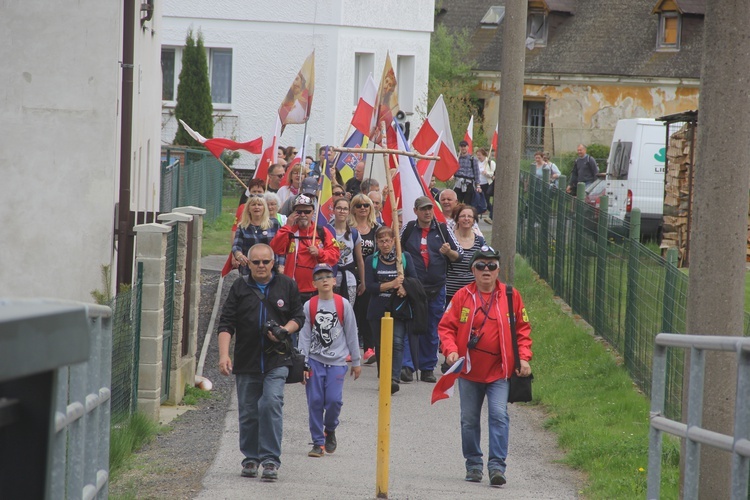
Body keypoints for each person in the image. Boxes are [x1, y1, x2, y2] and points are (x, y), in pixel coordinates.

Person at [438, 245, 532, 487]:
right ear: (473, 270)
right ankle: (473, 464)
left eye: (491, 265)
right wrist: (450, 351)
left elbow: (522, 330)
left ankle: (497, 466)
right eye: (481, 265)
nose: (486, 270)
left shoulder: (512, 295)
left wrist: (523, 357)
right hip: (469, 372)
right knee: (469, 419)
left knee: (499, 416)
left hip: (500, 371)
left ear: (498, 269)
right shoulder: (462, 296)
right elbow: (446, 327)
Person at [217, 243, 305, 481]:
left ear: (273, 261)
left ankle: (270, 460)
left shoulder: (286, 284)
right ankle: (250, 458)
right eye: (256, 262)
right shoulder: (239, 287)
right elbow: (226, 323)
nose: (261, 266)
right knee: (248, 412)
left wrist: (284, 331)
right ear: (249, 263)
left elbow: (299, 316)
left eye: (266, 261)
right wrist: (224, 355)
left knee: (271, 403)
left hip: (278, 359)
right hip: (247, 359)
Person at [298, 264, 361, 458]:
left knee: (334, 401)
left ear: (334, 281)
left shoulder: (343, 305)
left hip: (337, 362)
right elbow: (305, 336)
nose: (324, 280)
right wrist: (303, 362)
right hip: (315, 362)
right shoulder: (310, 306)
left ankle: (330, 429)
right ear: (314, 283)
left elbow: (351, 333)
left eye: (328, 276)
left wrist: (356, 361)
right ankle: (318, 442)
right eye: (319, 277)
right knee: (315, 401)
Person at [399, 196, 461, 383]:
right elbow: (397, 253)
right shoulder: (408, 229)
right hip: (413, 287)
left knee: (432, 327)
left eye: (430, 208)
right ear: (416, 210)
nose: (427, 212)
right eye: (423, 209)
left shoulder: (442, 229)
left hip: (437, 287)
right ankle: (407, 367)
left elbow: (458, 255)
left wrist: (448, 252)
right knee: (410, 324)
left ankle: (427, 368)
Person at [365, 226, 417, 394]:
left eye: (388, 240)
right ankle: (384, 376)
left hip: (398, 308)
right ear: (377, 243)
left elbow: (414, 280)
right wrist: (391, 284)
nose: (385, 244)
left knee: (397, 342)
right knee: (380, 344)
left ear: (394, 241)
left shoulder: (404, 258)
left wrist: (405, 288)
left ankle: (394, 378)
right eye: (381, 241)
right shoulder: (371, 260)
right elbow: (370, 287)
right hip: (377, 308)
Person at [270, 194, 340, 305]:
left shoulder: (322, 232)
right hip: (292, 288)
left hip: (316, 289)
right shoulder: (289, 231)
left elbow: (335, 255)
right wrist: (288, 225)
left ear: (312, 213)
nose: (303, 215)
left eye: (307, 212)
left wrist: (319, 253)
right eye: (299, 212)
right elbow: (276, 248)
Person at [349, 193, 380, 364]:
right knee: (351, 313)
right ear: (352, 208)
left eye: (366, 205)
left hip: (371, 275)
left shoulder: (377, 228)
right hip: (351, 274)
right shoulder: (348, 227)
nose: (363, 208)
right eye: (359, 205)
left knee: (369, 312)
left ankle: (369, 347)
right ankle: (349, 348)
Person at [232, 196, 283, 276]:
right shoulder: (242, 226)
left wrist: (281, 265)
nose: (256, 207)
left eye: (260, 204)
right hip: (248, 269)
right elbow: (236, 246)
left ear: (264, 208)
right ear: (248, 208)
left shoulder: (274, 224)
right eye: (253, 204)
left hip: (271, 269)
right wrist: (239, 255)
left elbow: (281, 246)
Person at [445, 205, 486, 304]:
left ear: (474, 220)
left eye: (470, 216)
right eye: (463, 216)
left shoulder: (479, 241)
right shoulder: (448, 238)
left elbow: (485, 262)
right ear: (457, 219)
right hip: (450, 293)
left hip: (472, 293)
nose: (466, 219)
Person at [331, 197, 365, 306]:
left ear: (349, 212)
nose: (342, 211)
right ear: (333, 210)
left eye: (345, 209)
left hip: (349, 278)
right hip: (332, 278)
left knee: (348, 310)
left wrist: (363, 282)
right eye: (339, 208)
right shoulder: (327, 231)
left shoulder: (354, 233)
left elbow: (359, 261)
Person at [453, 140, 481, 205]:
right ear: (459, 147)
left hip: (468, 183)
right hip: (458, 183)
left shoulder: (473, 159)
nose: (463, 148)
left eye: (464, 146)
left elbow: (476, 172)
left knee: (467, 203)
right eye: (461, 146)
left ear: (468, 147)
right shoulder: (456, 158)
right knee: (456, 203)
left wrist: (478, 185)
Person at [476, 148, 495, 221]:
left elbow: (493, 174)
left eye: (479, 155)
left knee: (486, 200)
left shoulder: (490, 162)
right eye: (477, 155)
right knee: (478, 200)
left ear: (484, 155)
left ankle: (492, 214)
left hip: (487, 184)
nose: (478, 157)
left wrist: (486, 173)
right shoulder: (477, 162)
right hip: (479, 184)